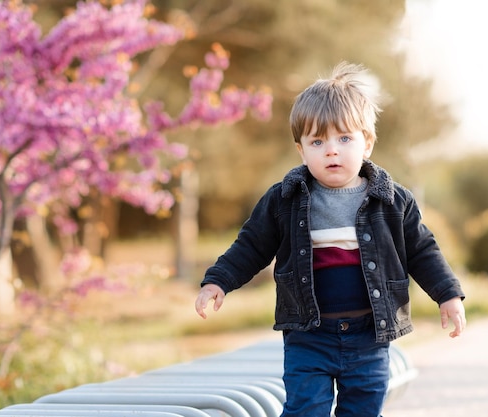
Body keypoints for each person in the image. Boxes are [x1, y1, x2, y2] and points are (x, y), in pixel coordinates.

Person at [195, 61, 466, 417]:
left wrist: (447, 294)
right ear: (302, 150)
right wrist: (218, 281)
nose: (331, 150)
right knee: (305, 409)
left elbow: (422, 250)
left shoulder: (394, 201)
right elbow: (251, 245)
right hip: (309, 336)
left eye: (344, 138)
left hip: (370, 335)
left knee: (363, 410)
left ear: (367, 143)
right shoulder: (284, 199)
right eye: (317, 141)